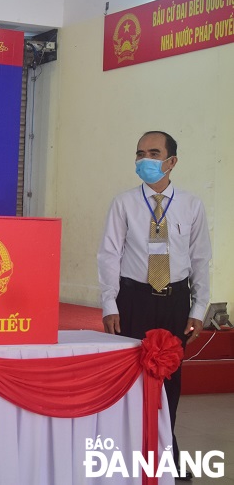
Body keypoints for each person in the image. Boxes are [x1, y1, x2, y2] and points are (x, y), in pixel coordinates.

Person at [97, 130, 211, 481]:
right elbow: (109, 255)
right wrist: (108, 303)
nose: (144, 160)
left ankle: (166, 453)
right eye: (139, 154)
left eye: (153, 153)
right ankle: (130, 455)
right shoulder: (124, 203)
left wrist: (198, 309)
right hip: (133, 300)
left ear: (171, 161)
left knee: (170, 382)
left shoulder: (192, 205)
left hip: (175, 301)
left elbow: (201, 259)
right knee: (131, 379)